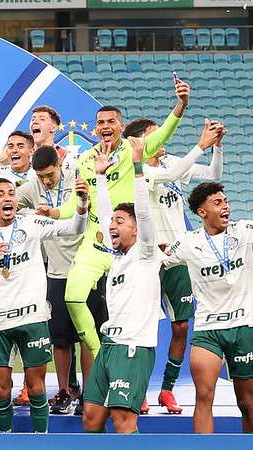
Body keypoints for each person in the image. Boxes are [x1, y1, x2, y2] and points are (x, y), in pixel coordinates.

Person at [46, 79, 189, 414]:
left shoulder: (133, 149)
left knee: (135, 311)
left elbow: (163, 135)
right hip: (96, 242)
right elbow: (72, 204)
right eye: (101, 123)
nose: (105, 127)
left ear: (121, 127)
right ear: (95, 129)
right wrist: (52, 212)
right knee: (72, 296)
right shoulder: (85, 160)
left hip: (131, 244)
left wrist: (180, 106)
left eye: (111, 122)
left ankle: (135, 387)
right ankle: (101, 353)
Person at [0, 174, 88, 433]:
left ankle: (41, 441)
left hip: (32, 317)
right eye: (0, 194)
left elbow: (73, 228)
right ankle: (6, 440)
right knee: (0, 389)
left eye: (11, 193)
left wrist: (82, 204)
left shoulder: (31, 222)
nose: (7, 198)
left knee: (36, 384)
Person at [126, 117, 225, 414]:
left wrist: (216, 148)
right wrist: (200, 145)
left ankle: (166, 390)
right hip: (150, 259)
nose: (163, 139)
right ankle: (138, 390)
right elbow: (175, 173)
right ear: (138, 143)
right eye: (156, 135)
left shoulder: (170, 162)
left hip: (179, 257)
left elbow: (212, 174)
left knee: (181, 326)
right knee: (141, 327)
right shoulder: (138, 169)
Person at [17, 145, 107, 414]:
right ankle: (65, 391)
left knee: (87, 335)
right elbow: (5, 200)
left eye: (49, 174)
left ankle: (89, 394)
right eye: (41, 176)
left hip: (86, 267)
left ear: (59, 164)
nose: (46, 180)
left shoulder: (77, 176)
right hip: (55, 272)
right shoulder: (32, 186)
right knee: (60, 339)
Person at [82, 137, 162, 434]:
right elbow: (103, 216)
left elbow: (142, 211)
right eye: (113, 221)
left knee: (123, 420)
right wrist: (100, 177)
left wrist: (138, 165)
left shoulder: (146, 251)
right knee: (91, 418)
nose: (112, 225)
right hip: (109, 347)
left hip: (133, 348)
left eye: (120, 221)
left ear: (136, 229)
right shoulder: (116, 256)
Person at [161, 181, 253, 433]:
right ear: (202, 212)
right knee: (203, 395)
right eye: (218, 203)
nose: (226, 207)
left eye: (226, 201)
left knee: (248, 403)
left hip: (244, 327)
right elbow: (158, 261)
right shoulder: (188, 242)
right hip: (207, 329)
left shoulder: (245, 230)